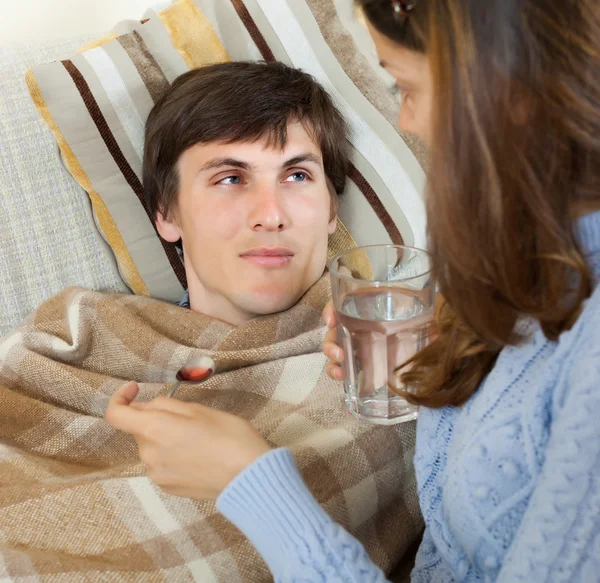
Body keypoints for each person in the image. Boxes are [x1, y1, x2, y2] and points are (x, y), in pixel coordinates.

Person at [106, 0, 600, 581]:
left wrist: (255, 487)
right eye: (231, 177)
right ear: (164, 213)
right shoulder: (505, 288)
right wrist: (453, 366)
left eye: (406, 87)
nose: (407, 123)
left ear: (508, 96)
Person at [143, 60, 346, 324]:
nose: (271, 217)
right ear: (167, 214)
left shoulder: (399, 346)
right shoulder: (94, 350)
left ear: (331, 209)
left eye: (297, 176)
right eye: (230, 179)